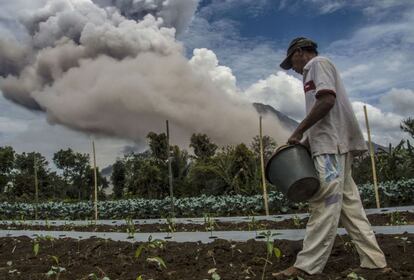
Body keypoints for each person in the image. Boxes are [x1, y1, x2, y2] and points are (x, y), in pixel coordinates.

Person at [272, 37, 390, 278]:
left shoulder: (317, 64)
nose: (293, 68)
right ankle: (375, 262)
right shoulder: (316, 68)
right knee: (350, 207)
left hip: (330, 148)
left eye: (291, 62)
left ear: (299, 52)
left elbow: (327, 99)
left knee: (322, 204)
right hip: (331, 144)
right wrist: (305, 142)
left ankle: (307, 267)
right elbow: (327, 113)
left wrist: (298, 131)